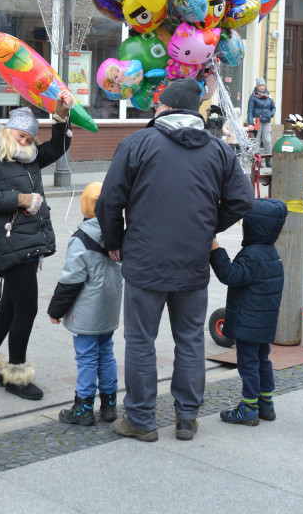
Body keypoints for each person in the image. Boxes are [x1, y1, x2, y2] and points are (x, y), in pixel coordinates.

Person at [95, 78, 255, 442]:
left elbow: (109, 202)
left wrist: (113, 241)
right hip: (193, 261)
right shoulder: (217, 148)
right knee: (190, 340)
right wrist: (206, 226)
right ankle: (187, 417)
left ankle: (140, 419)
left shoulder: (137, 143)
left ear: (165, 107)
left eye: (157, 105)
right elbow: (243, 201)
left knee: (140, 341)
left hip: (144, 260)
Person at [0, 93, 74, 401]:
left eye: (29, 137)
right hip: (9, 241)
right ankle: (16, 375)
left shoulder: (28, 156)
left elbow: (58, 146)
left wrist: (61, 112)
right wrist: (19, 198)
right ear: (7, 129)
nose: (25, 141)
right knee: (26, 308)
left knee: (10, 306)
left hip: (27, 241)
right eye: (20, 134)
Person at [48, 182, 122, 426]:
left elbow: (71, 279)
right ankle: (110, 405)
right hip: (109, 309)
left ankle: (84, 408)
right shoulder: (119, 236)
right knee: (107, 353)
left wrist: (55, 310)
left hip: (86, 312)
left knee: (87, 357)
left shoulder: (81, 239)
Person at [210, 198, 287, 426]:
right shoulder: (273, 253)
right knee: (263, 359)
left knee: (248, 363)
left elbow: (230, 275)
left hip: (248, 325)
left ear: (255, 226)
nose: (243, 226)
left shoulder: (251, 255)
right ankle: (266, 403)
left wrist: (215, 248)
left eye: (245, 222)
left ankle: (249, 408)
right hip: (263, 324)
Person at [247, 77, 276, 168]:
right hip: (257, 122)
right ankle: (257, 161)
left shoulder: (269, 96)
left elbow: (273, 107)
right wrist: (250, 123)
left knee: (267, 141)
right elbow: (250, 110)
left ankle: (268, 160)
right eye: (260, 85)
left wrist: (271, 114)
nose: (262, 87)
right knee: (257, 141)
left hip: (267, 121)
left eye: (263, 85)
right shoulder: (253, 97)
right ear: (257, 86)